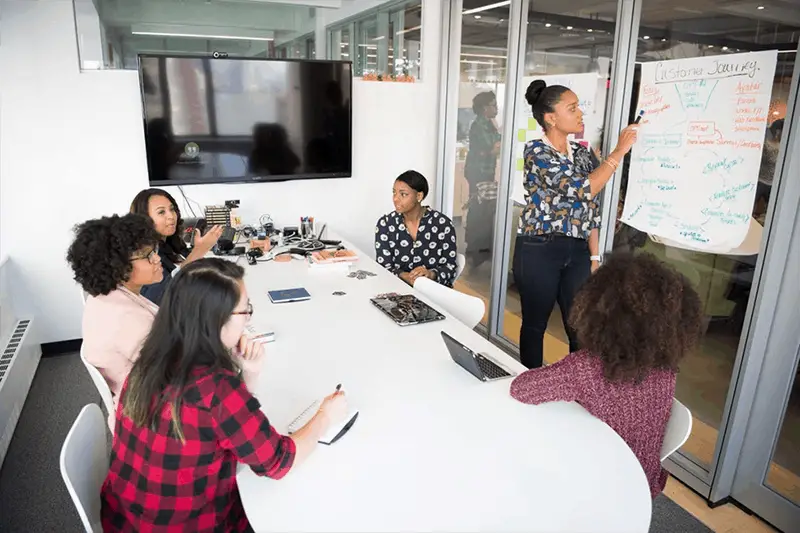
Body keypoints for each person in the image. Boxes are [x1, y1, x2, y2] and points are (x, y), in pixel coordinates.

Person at [101, 258, 348, 532]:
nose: (248, 321)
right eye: (246, 312)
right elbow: (279, 462)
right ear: (217, 320)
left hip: (126, 520)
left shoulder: (149, 360)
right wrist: (326, 415)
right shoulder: (215, 388)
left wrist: (249, 373)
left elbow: (219, 424)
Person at [509, 253, 703, 498]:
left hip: (596, 488)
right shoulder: (665, 370)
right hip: (643, 485)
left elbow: (521, 389)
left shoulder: (586, 367)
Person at [514, 79, 639, 369]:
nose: (580, 113)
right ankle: (530, 384)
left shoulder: (582, 153)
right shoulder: (537, 152)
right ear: (551, 118)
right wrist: (619, 151)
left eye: (579, 106)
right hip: (539, 248)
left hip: (579, 250)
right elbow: (583, 189)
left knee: (580, 328)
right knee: (535, 324)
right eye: (572, 108)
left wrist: (594, 256)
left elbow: (590, 208)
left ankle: (579, 390)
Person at [66, 214, 163, 428]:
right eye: (146, 255)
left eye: (154, 251)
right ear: (117, 266)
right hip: (151, 422)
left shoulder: (104, 297)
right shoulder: (128, 320)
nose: (157, 259)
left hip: (136, 403)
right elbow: (177, 377)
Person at [130, 188, 223, 305]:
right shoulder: (142, 257)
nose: (171, 216)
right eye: (161, 212)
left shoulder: (173, 245)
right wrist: (199, 252)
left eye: (172, 209)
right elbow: (159, 298)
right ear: (144, 218)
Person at [375, 170, 458, 287]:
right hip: (398, 290)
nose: (395, 199)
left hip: (434, 292)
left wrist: (430, 274)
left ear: (419, 196)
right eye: (394, 193)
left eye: (403, 194)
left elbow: (450, 267)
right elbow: (383, 267)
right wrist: (406, 277)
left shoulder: (442, 224)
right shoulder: (386, 225)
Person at [464, 91, 501, 269]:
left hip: (486, 171)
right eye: (493, 104)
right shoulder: (479, 125)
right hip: (478, 172)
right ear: (485, 107)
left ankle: (478, 248)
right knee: (478, 208)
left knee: (482, 208)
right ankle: (475, 248)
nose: (496, 107)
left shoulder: (489, 124)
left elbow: (497, 146)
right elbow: (494, 148)